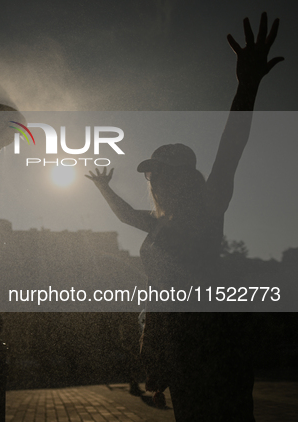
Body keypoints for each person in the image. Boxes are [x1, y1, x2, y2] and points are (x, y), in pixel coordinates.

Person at [86, 13, 283, 422]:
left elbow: (230, 151)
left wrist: (247, 86)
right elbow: (126, 216)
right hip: (182, 353)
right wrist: (104, 189)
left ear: (182, 178)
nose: (153, 181)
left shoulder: (208, 208)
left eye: (160, 173)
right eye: (152, 175)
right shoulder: (160, 223)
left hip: (214, 348)